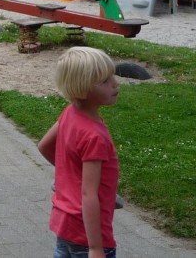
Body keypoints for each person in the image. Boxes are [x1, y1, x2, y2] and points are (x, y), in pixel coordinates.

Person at [38, 47, 120, 258]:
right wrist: (96, 248)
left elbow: (44, 146)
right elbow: (88, 194)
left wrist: (71, 177)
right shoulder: (95, 136)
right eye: (104, 81)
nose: (115, 83)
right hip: (87, 236)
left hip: (65, 225)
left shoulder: (70, 113)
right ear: (82, 89)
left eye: (112, 75)